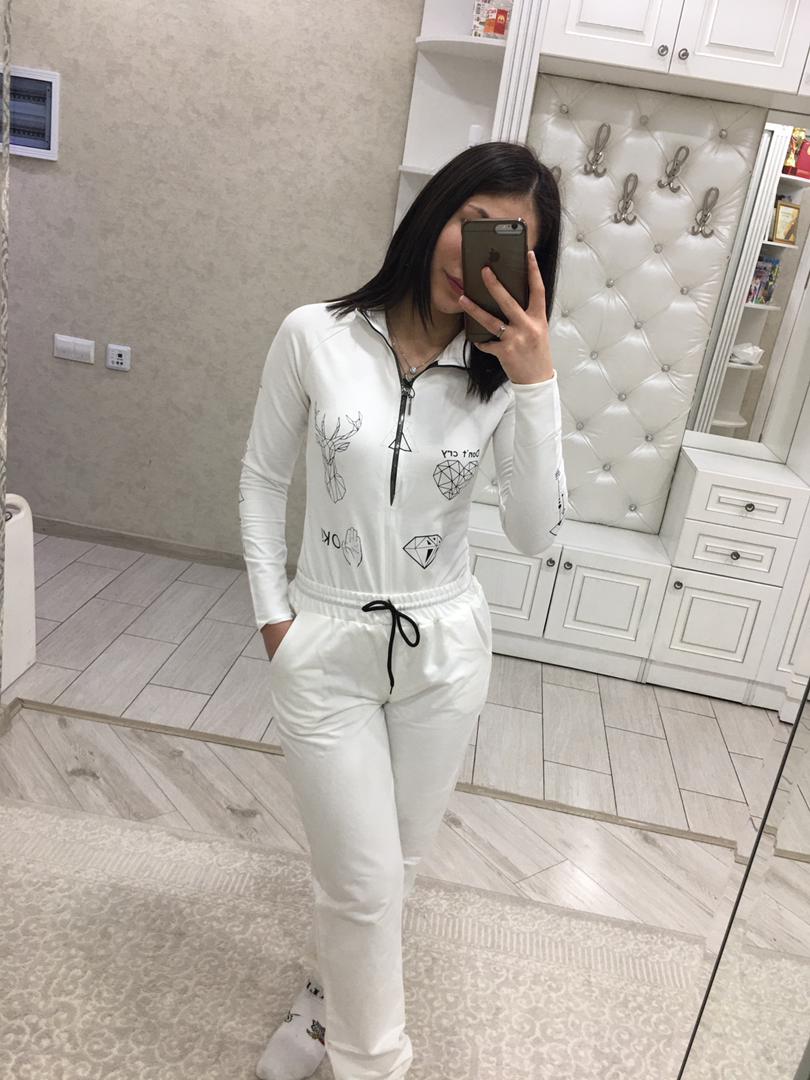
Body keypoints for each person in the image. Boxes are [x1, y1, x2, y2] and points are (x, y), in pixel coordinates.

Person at [239, 140, 567, 1080]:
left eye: (509, 239)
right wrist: (276, 620)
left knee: (390, 869)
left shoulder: (502, 376)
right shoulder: (315, 334)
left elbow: (537, 532)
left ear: (532, 266)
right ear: (434, 214)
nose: (478, 252)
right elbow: (262, 480)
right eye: (471, 221)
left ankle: (323, 1000)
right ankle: (374, 1062)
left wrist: (538, 379)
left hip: (445, 647)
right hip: (326, 638)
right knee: (363, 878)